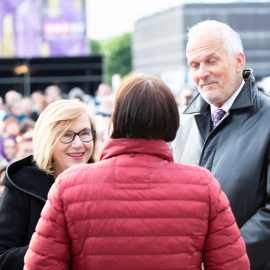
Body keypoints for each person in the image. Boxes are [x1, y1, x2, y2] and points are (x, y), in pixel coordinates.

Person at [24, 75, 249, 270]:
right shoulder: (203, 185)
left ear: (116, 120)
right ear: (172, 122)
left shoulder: (68, 185)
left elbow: (41, 265)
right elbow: (231, 264)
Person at [172, 20, 270, 269]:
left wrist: (222, 258)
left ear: (239, 61)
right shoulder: (183, 125)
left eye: (211, 61)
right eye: (194, 65)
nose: (201, 73)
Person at [0, 99, 98, 270]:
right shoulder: (22, 185)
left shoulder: (106, 182)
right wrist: (56, 249)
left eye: (84, 133)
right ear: (49, 140)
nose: (77, 144)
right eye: (66, 135)